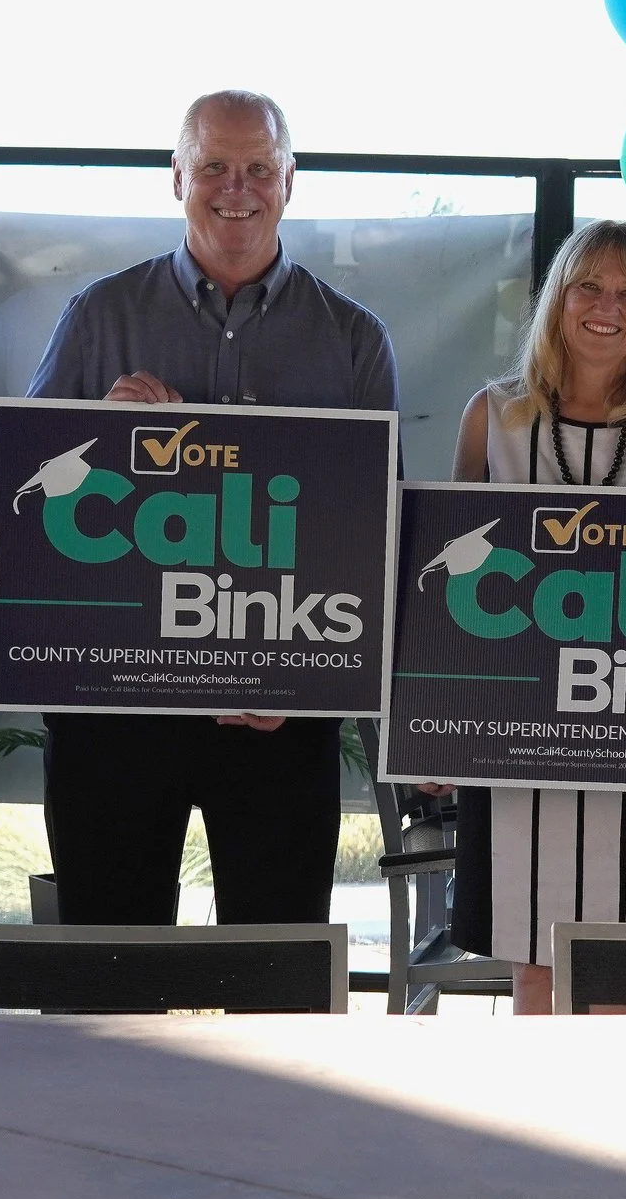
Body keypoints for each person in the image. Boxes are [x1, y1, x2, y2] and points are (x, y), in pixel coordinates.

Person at [25, 90, 397, 926]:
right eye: (215, 167)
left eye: (259, 168)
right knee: (111, 982)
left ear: (290, 181)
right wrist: (97, 441)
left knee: (278, 982)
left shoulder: (352, 340)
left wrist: (304, 689)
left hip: (279, 718)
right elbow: (28, 511)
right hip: (116, 713)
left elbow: (374, 537)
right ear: (177, 178)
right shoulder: (99, 316)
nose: (239, 187)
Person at [441, 221, 626, 1014]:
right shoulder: (493, 419)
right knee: (533, 974)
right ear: (558, 300)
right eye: (590, 287)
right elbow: (445, 592)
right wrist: (437, 725)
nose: (608, 308)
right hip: (520, 747)